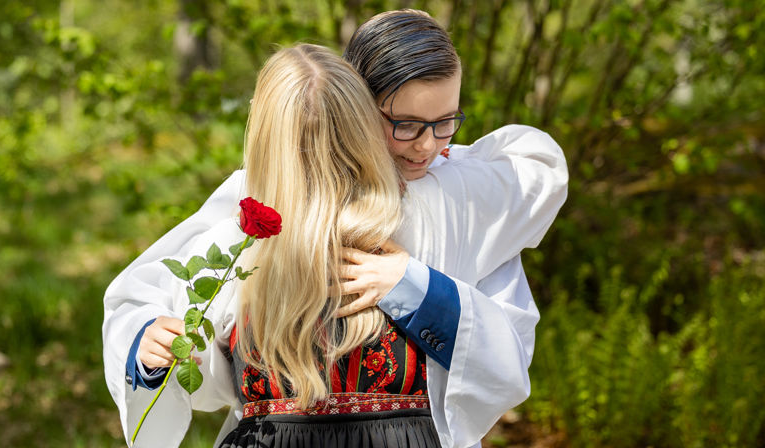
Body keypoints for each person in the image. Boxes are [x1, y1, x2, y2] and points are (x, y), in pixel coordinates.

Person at [103, 11, 568, 448]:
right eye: (405, 125)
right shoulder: (253, 209)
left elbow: (505, 352)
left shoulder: (453, 196)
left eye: (445, 122)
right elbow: (158, 306)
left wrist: (414, 287)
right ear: (353, 108)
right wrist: (150, 347)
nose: (428, 146)